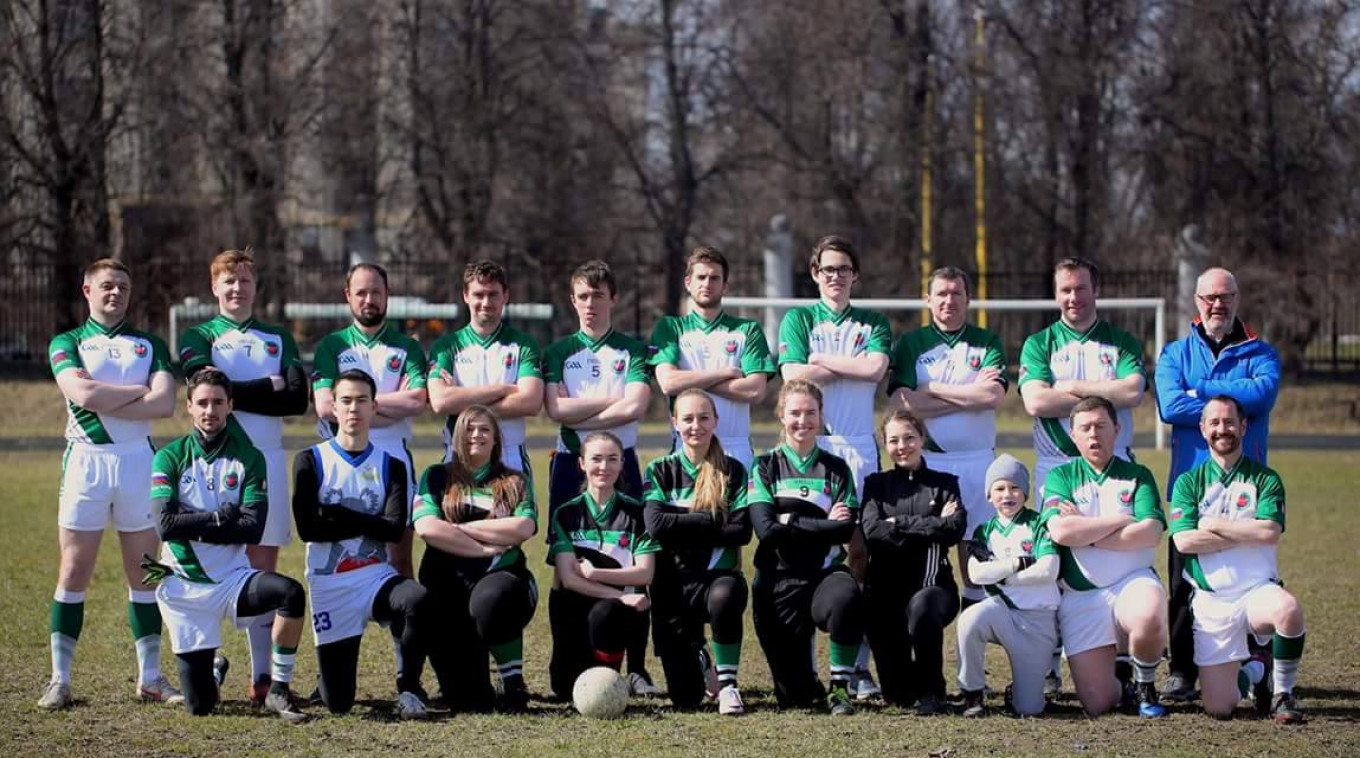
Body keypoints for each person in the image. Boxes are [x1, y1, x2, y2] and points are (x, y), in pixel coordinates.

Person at [41, 258, 181, 710]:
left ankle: (152, 678)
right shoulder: (68, 342)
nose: (115, 292)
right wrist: (137, 394)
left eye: (122, 285)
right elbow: (81, 395)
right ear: (87, 291)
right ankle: (60, 680)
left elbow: (163, 406)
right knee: (73, 571)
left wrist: (108, 395)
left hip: (138, 461)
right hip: (85, 461)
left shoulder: (150, 344)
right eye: (106, 285)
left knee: (145, 571)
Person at [178, 249, 309, 701]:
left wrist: (234, 389)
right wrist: (264, 387)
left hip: (267, 460)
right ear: (214, 287)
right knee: (211, 564)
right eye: (228, 282)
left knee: (262, 567)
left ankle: (262, 676)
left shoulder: (278, 337)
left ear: (257, 287)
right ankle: (213, 660)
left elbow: (295, 400)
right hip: (212, 463)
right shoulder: (198, 335)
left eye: (245, 281)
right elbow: (204, 389)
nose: (237, 289)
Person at [142, 368, 308, 721]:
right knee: (200, 707)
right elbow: (164, 526)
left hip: (233, 579)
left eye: (218, 402)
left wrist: (192, 520)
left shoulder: (249, 457)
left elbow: (252, 528)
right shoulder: (168, 457)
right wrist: (219, 517)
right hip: (183, 589)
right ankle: (214, 668)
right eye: (201, 402)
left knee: (290, 593)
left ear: (230, 405)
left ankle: (277, 688)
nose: (210, 410)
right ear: (188, 406)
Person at [1018, 257, 1146, 695]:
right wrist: (1098, 391)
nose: (1074, 298)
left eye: (1081, 288)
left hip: (1115, 466)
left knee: (1121, 558)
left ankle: (1126, 665)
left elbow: (1133, 392)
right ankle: (1050, 664)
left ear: (1096, 289)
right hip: (1057, 465)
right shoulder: (1039, 343)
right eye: (1066, 290)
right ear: (1056, 294)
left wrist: (1068, 388)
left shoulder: (1120, 340)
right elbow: (1035, 403)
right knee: (1054, 563)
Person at [1155, 267, 1281, 701]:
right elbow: (1170, 406)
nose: (1217, 305)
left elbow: (1262, 397)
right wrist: (1230, 397)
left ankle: (1254, 660)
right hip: (1190, 487)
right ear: (1196, 301)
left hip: (1246, 486)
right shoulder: (1174, 354)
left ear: (1237, 299)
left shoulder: (1261, 353)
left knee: (1248, 575)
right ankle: (1183, 671)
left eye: (1225, 296)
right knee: (1182, 583)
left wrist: (1203, 392)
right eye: (1209, 297)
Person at [776, 235, 891, 699]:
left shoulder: (873, 321)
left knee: (862, 554)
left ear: (855, 274)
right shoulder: (799, 318)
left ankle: (857, 665)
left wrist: (821, 361)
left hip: (861, 448)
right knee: (803, 552)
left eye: (844, 269)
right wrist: (847, 365)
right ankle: (803, 665)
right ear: (815, 273)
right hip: (813, 445)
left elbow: (877, 369)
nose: (836, 277)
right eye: (828, 269)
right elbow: (792, 379)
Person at [542, 260, 655, 694]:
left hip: (621, 459)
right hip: (570, 463)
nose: (590, 304)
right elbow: (555, 411)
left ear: (614, 298)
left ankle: (638, 669)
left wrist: (582, 407)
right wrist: (614, 398)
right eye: (583, 296)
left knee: (632, 561)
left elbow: (636, 408)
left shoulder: (633, 350)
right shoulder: (557, 352)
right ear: (573, 300)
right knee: (562, 562)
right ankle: (563, 663)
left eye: (598, 296)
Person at [293, 370, 432, 719]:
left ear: (374, 408)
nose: (354, 407)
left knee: (415, 598)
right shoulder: (310, 460)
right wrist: (367, 523)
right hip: (330, 583)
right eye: (346, 400)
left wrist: (336, 511)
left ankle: (410, 687)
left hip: (375, 578)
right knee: (338, 703)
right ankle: (327, 681)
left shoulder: (392, 466)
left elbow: (393, 529)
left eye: (362, 400)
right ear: (333, 408)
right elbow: (309, 529)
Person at [1168, 396, 1304, 724]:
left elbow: (1269, 532)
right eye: (1213, 423)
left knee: (1288, 611)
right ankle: (1257, 669)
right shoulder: (1188, 482)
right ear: (1202, 429)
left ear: (1243, 426)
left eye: (1229, 422)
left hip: (1257, 591)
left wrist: (1212, 525)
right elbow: (1184, 540)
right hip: (1211, 602)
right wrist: (1247, 530)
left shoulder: (1266, 479)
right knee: (1219, 707)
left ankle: (1283, 693)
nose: (1222, 429)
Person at [1040, 397, 1169, 718]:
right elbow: (1060, 532)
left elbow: (1150, 532)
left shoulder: (1137, 474)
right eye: (1085, 428)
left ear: (1117, 429)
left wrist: (1085, 531)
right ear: (1073, 434)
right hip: (1082, 596)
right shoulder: (1060, 477)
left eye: (1101, 426)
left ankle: (1145, 683)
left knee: (1149, 614)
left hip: (1132, 581)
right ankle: (1121, 675)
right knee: (1098, 705)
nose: (1093, 435)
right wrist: (1121, 519)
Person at [888, 266, 1007, 609]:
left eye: (956, 293)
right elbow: (902, 404)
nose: (949, 300)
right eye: (941, 293)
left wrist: (934, 389)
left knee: (976, 559)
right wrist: (969, 393)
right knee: (924, 552)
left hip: (979, 461)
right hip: (930, 462)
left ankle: (971, 655)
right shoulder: (911, 343)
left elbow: (992, 398)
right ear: (928, 299)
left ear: (968, 298)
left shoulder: (987, 342)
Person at [748, 380, 866, 716]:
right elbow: (766, 530)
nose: (803, 421)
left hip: (823, 574)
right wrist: (823, 524)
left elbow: (845, 528)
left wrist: (788, 520)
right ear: (781, 416)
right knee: (795, 697)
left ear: (821, 415)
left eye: (810, 413)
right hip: (778, 581)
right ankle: (807, 682)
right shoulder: (764, 466)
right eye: (795, 413)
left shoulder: (837, 468)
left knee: (846, 597)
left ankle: (840, 690)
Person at [413, 405, 538, 712]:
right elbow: (428, 528)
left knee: (490, 600)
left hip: (503, 581)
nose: (477, 435)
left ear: (496, 439)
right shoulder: (435, 476)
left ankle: (513, 682)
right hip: (450, 591)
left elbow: (523, 527)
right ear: (456, 437)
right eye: (469, 428)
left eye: (485, 429)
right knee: (467, 701)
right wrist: (482, 547)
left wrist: (458, 530)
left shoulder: (515, 481)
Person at [311, 263, 428, 579]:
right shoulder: (331, 347)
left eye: (376, 292)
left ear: (387, 295)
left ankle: (401, 628)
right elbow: (324, 406)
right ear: (348, 296)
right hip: (341, 457)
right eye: (361, 292)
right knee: (340, 556)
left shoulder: (408, 347)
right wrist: (391, 406)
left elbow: (417, 400)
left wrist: (351, 407)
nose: (369, 299)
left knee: (400, 560)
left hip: (393, 458)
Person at [642, 389, 753, 714]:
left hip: (719, 577)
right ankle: (700, 655)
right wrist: (712, 518)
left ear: (716, 421)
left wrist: (682, 521)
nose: (696, 426)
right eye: (687, 418)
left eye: (704, 418)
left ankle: (730, 685)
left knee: (725, 597)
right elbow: (656, 526)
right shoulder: (659, 469)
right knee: (685, 699)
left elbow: (741, 531)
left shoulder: (733, 470)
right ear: (674, 423)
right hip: (672, 585)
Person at [860, 410, 967, 714]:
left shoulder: (945, 483)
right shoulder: (876, 485)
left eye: (909, 437)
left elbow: (953, 530)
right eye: (893, 440)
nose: (902, 445)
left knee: (922, 608)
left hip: (933, 588)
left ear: (922, 438)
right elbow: (872, 531)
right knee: (899, 697)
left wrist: (896, 522)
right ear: (885, 444)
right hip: (885, 594)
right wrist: (928, 524)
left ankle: (934, 691)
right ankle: (907, 685)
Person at [546, 432, 658, 701]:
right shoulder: (566, 513)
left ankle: (626, 673)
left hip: (618, 612)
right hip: (576, 608)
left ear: (622, 464)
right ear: (581, 464)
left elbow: (645, 573)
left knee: (605, 613)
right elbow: (569, 580)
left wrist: (597, 574)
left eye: (612, 459)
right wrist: (620, 594)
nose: (604, 467)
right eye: (596, 459)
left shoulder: (636, 513)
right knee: (564, 688)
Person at [649, 246, 774, 469]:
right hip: (688, 448)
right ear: (688, 282)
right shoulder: (669, 328)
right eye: (701, 277)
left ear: (725, 285)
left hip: (736, 450)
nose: (707, 283)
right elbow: (668, 383)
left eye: (715, 278)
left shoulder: (748, 330)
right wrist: (724, 373)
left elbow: (755, 391)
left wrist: (688, 381)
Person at [955, 454, 1061, 718]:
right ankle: (973, 693)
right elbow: (976, 575)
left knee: (1029, 709)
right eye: (999, 488)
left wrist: (1002, 576)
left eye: (1015, 488)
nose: (1007, 495)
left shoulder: (1039, 523)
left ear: (1025, 493)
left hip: (1038, 620)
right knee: (970, 618)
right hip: (1001, 612)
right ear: (989, 496)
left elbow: (1048, 570)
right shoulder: (983, 531)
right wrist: (1017, 562)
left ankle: (1019, 692)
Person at [428, 259, 544, 473]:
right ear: (465, 296)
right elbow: (440, 401)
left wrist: (461, 400)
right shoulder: (446, 346)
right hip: (460, 454)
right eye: (478, 294)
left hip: (509, 456)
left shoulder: (524, 344)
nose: (486, 302)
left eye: (493, 294)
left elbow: (531, 402)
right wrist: (503, 390)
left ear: (505, 296)